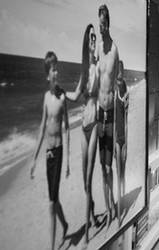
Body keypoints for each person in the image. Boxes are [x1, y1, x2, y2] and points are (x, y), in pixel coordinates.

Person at [30, 51, 69, 250]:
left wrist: (69, 160)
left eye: (57, 68)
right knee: (54, 200)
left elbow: (68, 128)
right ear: (48, 75)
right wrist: (35, 158)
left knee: (51, 203)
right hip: (48, 154)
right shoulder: (46, 98)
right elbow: (42, 128)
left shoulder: (62, 97)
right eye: (53, 69)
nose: (56, 72)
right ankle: (65, 225)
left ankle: (53, 247)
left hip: (59, 151)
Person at [65, 24, 99, 245]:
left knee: (88, 177)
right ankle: (94, 215)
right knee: (85, 183)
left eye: (95, 37)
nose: (93, 41)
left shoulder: (99, 67)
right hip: (82, 126)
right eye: (91, 38)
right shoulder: (84, 71)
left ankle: (87, 233)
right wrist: (60, 93)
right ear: (86, 44)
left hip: (95, 123)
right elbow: (77, 94)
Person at [97, 4, 120, 227]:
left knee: (108, 166)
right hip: (97, 113)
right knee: (100, 167)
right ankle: (107, 206)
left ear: (108, 24)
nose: (101, 28)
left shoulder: (114, 50)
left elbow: (115, 84)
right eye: (99, 24)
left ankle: (112, 206)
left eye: (104, 25)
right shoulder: (98, 50)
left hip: (110, 114)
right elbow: (95, 81)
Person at [114, 60, 129, 224]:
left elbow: (126, 117)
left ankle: (121, 206)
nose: (120, 72)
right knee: (118, 171)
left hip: (123, 136)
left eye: (121, 70)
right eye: (118, 70)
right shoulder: (113, 88)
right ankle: (119, 213)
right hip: (115, 136)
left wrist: (128, 143)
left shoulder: (124, 88)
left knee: (122, 172)